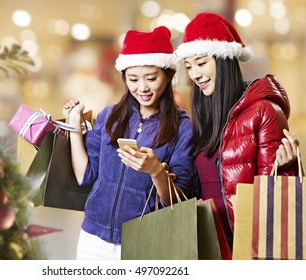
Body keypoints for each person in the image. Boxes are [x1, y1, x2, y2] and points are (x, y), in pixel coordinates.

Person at [62, 26, 193, 260]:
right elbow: (85, 176)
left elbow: (178, 201)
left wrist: (155, 171)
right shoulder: (109, 116)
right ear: (124, 77)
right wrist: (74, 125)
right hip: (92, 239)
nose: (142, 88)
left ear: (169, 75)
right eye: (133, 79)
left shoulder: (182, 127)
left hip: (143, 242)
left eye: (151, 78)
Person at [174, 12, 300, 251]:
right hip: (206, 244)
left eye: (201, 63)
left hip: (246, 246)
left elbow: (274, 198)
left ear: (224, 60)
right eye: (189, 67)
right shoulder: (202, 117)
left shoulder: (264, 112)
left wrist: (286, 168)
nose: (195, 74)